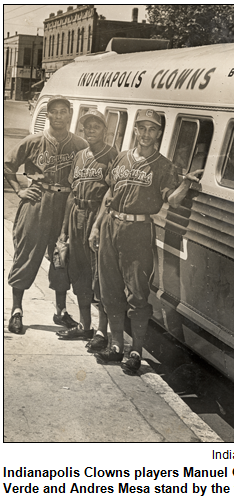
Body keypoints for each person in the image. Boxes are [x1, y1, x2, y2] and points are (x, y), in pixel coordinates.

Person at [88, 109, 203, 371]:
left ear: (159, 134)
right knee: (109, 288)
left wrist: (185, 184)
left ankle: (136, 351)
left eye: (152, 129)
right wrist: (96, 227)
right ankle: (116, 346)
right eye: (142, 128)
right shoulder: (121, 158)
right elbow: (109, 193)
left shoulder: (164, 166)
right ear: (136, 130)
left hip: (138, 230)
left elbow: (171, 200)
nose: (146, 134)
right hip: (110, 224)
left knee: (138, 293)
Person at [4, 95, 88, 334]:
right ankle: (17, 310)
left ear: (70, 115)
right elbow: (8, 164)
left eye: (63, 112)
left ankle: (60, 311)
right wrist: (20, 189)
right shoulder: (33, 141)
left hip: (66, 204)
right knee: (26, 253)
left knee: (62, 255)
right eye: (54, 112)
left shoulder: (79, 145)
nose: (59, 116)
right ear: (48, 115)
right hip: (38, 200)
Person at [56, 110, 118, 351]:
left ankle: (102, 331)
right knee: (79, 272)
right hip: (77, 215)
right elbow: (72, 194)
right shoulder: (80, 155)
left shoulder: (112, 155)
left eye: (96, 126)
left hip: (97, 217)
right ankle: (84, 325)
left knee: (99, 276)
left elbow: (111, 194)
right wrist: (64, 231)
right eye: (87, 126)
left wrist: (97, 226)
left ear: (105, 130)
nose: (91, 130)